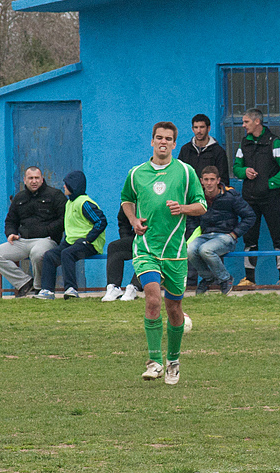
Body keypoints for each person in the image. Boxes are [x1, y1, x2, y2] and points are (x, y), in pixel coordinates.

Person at [121, 121, 206, 385]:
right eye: (158, 137)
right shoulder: (136, 173)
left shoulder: (185, 171)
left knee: (174, 307)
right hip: (146, 248)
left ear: (173, 143)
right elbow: (126, 199)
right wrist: (134, 220)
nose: (163, 142)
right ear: (152, 141)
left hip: (176, 252)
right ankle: (154, 361)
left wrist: (182, 208)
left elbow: (201, 205)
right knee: (153, 300)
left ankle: (173, 361)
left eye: (168, 139)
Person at [233, 108, 280, 287]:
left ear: (256, 121)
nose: (243, 125)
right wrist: (244, 171)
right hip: (249, 199)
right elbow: (236, 167)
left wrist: (270, 184)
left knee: (278, 237)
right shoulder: (244, 143)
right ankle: (249, 278)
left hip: (271, 199)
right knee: (249, 239)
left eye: (246, 122)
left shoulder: (274, 142)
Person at [0, 166, 67, 297]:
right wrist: (11, 233)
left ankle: (40, 288)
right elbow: (10, 220)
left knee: (37, 254)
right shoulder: (19, 198)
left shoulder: (55, 195)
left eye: (37, 178)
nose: (34, 181)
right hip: (23, 241)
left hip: (46, 240)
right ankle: (25, 282)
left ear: (42, 179)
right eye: (30, 178)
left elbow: (64, 219)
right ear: (25, 180)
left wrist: (48, 230)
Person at [34, 171, 107, 300]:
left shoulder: (84, 203)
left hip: (89, 244)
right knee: (50, 255)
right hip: (72, 242)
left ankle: (71, 289)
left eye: (66, 184)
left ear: (73, 186)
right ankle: (47, 290)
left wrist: (89, 239)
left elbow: (101, 221)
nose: (64, 187)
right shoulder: (69, 203)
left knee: (67, 253)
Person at [187, 166, 255, 295]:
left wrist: (234, 234)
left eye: (212, 179)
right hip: (205, 235)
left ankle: (225, 278)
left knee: (205, 250)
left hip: (225, 236)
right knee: (190, 250)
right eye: (206, 179)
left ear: (218, 180)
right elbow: (190, 218)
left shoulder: (230, 196)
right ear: (201, 181)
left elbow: (250, 216)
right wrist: (195, 232)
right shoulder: (198, 197)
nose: (209, 183)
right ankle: (208, 279)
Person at [101, 206, 143, 302]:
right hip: (138, 237)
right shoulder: (129, 195)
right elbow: (123, 222)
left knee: (146, 251)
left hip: (160, 239)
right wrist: (126, 238)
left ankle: (134, 287)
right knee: (114, 247)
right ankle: (114, 288)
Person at [178, 114, 230, 184]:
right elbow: (180, 174)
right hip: (189, 193)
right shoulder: (185, 149)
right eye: (196, 127)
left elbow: (223, 179)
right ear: (192, 129)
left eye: (202, 127)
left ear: (208, 128)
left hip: (210, 194)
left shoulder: (218, 151)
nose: (199, 131)